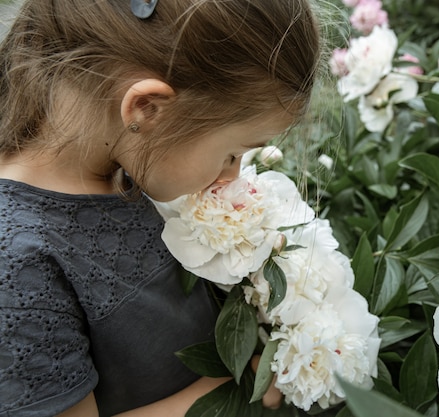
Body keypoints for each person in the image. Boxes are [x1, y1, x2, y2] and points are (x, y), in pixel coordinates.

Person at [0, 0, 322, 416]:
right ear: (148, 109)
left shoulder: (128, 164)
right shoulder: (18, 257)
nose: (233, 176)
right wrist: (236, 390)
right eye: (232, 153)